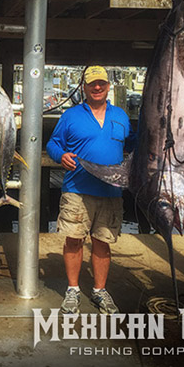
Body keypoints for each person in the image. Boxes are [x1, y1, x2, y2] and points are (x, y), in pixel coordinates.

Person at [46, 66, 134, 315]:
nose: (97, 87)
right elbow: (53, 143)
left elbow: (134, 143)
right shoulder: (71, 115)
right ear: (84, 87)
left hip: (111, 191)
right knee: (74, 239)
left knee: (102, 243)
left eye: (101, 84)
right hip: (77, 189)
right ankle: (73, 289)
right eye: (92, 84)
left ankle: (99, 290)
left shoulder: (121, 116)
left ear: (108, 86)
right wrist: (60, 155)